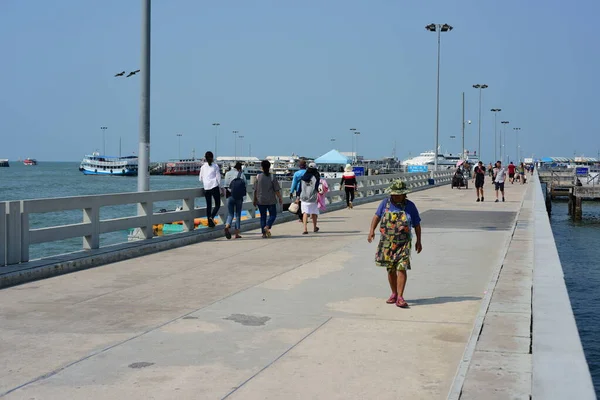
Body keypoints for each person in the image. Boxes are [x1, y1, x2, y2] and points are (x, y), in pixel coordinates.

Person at [367, 179, 422, 308]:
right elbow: (376, 217)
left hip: (403, 243)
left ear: (404, 194)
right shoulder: (384, 204)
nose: (396, 196)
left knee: (402, 267)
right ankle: (394, 293)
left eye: (399, 194)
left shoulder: (410, 206)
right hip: (387, 243)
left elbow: (417, 225)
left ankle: (401, 297)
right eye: (394, 194)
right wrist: (371, 231)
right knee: (391, 269)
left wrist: (419, 241)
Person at [253, 160, 283, 238]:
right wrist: (280, 198)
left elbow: (255, 190)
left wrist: (254, 199)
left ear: (262, 167)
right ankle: (267, 226)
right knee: (273, 215)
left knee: (263, 216)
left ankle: (263, 233)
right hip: (271, 200)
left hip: (260, 200)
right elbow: (276, 190)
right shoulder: (272, 177)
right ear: (269, 167)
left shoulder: (258, 176)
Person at [199, 151, 222, 228]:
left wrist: (206, 182)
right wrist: (220, 187)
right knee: (217, 204)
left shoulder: (202, 167)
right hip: (214, 186)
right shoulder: (215, 166)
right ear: (212, 158)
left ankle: (210, 223)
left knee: (208, 206)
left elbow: (200, 179)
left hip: (206, 188)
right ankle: (211, 217)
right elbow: (218, 178)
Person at [223, 161, 245, 239]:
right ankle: (236, 234)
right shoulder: (241, 174)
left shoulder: (227, 173)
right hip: (239, 197)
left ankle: (227, 225)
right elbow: (245, 184)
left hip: (229, 196)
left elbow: (225, 185)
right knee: (238, 215)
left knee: (230, 214)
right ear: (240, 168)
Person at [300, 162, 321, 234]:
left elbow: (300, 187)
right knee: (314, 213)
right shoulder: (316, 176)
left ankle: (305, 229)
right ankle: (315, 227)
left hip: (304, 197)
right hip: (313, 197)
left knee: (305, 213)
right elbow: (317, 187)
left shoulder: (303, 176)